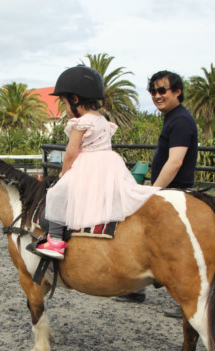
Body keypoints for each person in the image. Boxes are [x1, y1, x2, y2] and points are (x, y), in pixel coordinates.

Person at [34, 66, 160, 259]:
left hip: (87, 165)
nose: (64, 107)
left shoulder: (81, 122)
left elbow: (70, 152)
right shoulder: (103, 120)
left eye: (64, 101)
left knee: (56, 195)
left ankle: (56, 241)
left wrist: (64, 172)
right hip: (109, 164)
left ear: (75, 99)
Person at [116, 70, 198, 319]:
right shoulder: (173, 118)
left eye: (162, 90)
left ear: (177, 91)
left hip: (174, 193)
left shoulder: (181, 120)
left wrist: (152, 192)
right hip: (169, 191)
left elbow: (175, 162)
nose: (157, 95)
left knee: (175, 250)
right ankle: (136, 286)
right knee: (146, 240)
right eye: (153, 91)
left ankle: (188, 298)